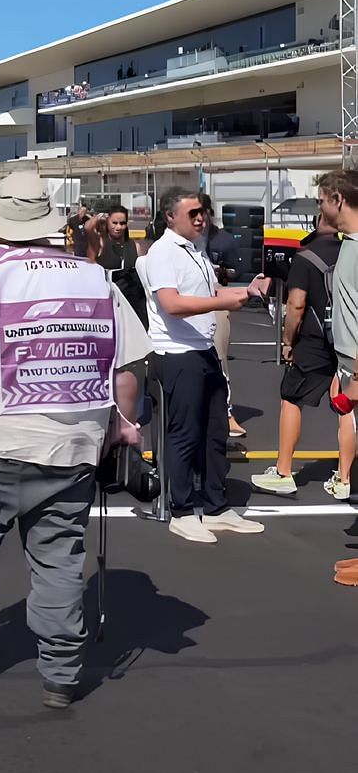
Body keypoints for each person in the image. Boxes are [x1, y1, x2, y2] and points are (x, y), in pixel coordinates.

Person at [0, 169, 149, 705]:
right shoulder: (95, 279)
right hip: (70, 447)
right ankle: (61, 676)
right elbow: (128, 371)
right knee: (60, 561)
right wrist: (119, 427)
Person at [140, 187, 270, 544]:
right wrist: (223, 300)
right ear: (170, 217)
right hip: (177, 354)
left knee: (216, 432)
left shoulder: (195, 248)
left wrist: (248, 291)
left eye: (203, 212)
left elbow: (214, 296)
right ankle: (182, 510)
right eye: (193, 213)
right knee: (184, 434)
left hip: (203, 350)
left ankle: (215, 506)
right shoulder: (163, 252)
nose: (201, 218)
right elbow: (173, 305)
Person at [252, 195, 351, 500]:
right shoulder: (352, 252)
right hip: (348, 339)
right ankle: (345, 477)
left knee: (291, 398)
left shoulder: (306, 257)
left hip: (314, 339)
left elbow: (296, 305)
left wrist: (287, 342)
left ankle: (283, 471)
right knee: (347, 404)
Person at [312, 169, 358, 586]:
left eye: (322, 201)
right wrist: (342, 370)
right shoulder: (350, 246)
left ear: (338, 200)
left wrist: (355, 373)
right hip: (350, 364)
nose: (320, 209)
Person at [199, 193, 246, 439]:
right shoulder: (183, 241)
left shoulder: (224, 239)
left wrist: (223, 271)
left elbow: (238, 270)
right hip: (187, 305)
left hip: (216, 303)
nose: (199, 220)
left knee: (219, 359)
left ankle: (226, 412)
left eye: (202, 213)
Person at [97, 206, 147, 327]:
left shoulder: (135, 246)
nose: (118, 227)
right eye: (114, 223)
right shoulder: (99, 244)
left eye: (122, 223)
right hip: (106, 304)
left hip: (131, 307)